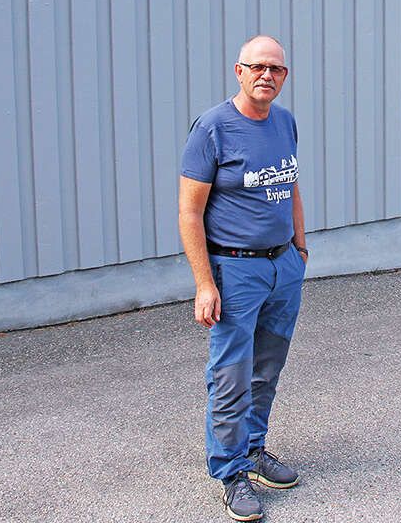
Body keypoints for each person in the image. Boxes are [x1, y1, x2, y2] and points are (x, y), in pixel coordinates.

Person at [179, 35, 308, 522]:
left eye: (276, 69)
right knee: (231, 374)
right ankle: (230, 470)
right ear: (239, 71)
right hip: (234, 270)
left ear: (284, 76)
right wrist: (204, 283)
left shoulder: (284, 122)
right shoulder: (213, 129)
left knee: (267, 368)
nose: (266, 76)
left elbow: (290, 186)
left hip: (282, 266)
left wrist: (300, 249)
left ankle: (253, 449)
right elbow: (189, 212)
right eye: (257, 67)